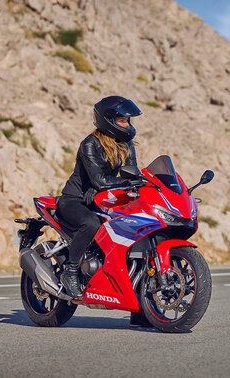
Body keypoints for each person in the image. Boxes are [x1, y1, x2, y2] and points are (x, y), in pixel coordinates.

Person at [56, 96, 141, 299]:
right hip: (75, 199)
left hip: (103, 199)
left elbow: (133, 174)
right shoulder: (89, 144)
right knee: (91, 223)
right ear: (108, 121)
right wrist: (121, 183)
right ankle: (71, 271)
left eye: (128, 120)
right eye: (123, 120)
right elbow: (99, 180)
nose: (127, 125)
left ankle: (140, 307)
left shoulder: (127, 145)